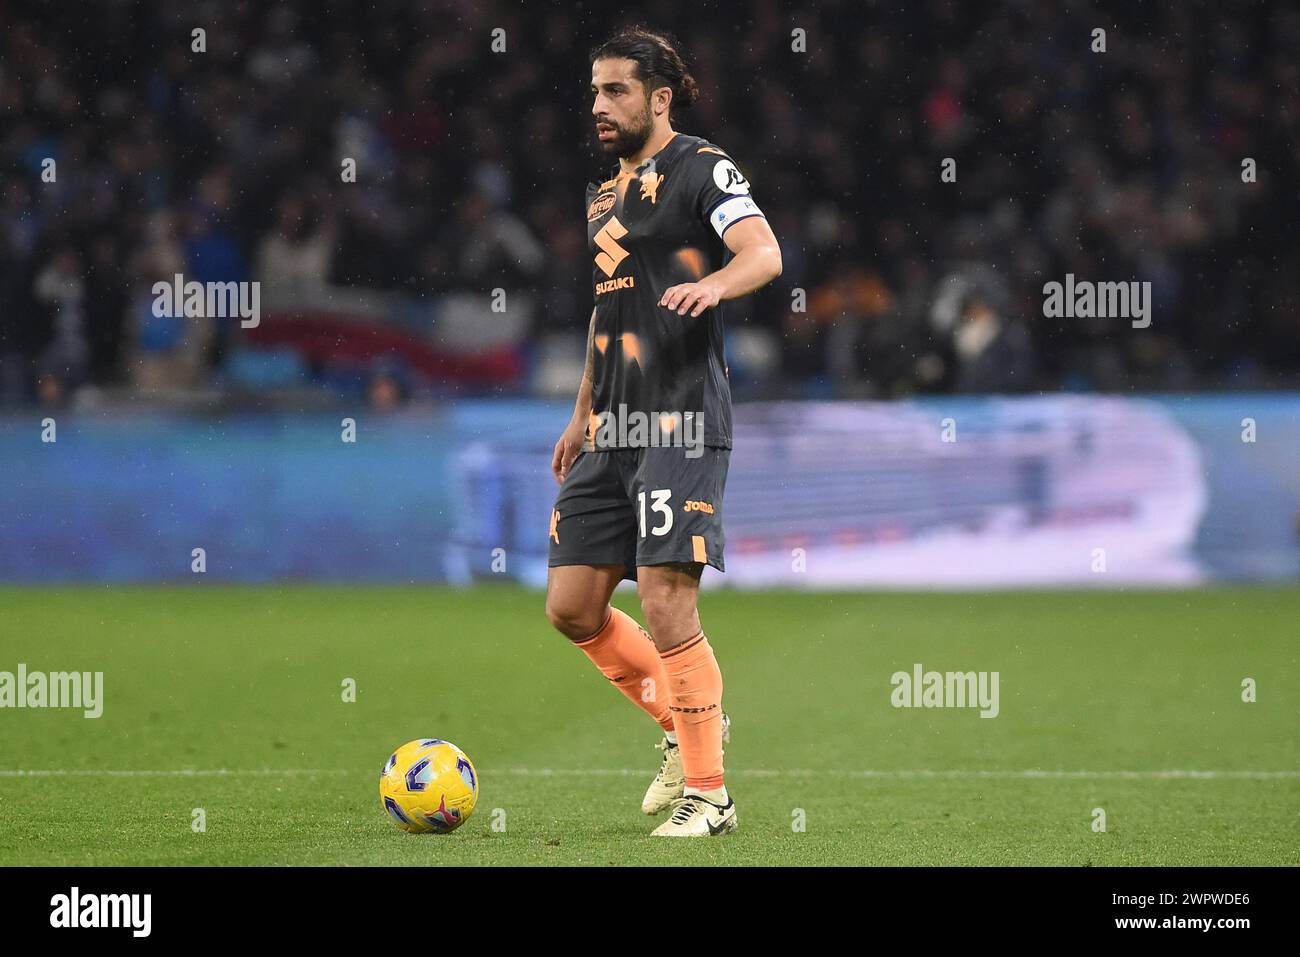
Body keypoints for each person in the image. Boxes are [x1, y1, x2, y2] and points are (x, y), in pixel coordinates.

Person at [544, 28, 782, 837]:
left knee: (665, 598)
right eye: (595, 91)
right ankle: (682, 725)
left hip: (680, 414)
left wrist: (714, 283)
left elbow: (764, 252)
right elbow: (607, 307)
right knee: (572, 606)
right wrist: (581, 410)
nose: (600, 105)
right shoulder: (603, 195)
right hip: (611, 426)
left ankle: (711, 796)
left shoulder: (700, 167)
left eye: (616, 91)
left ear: (659, 97)